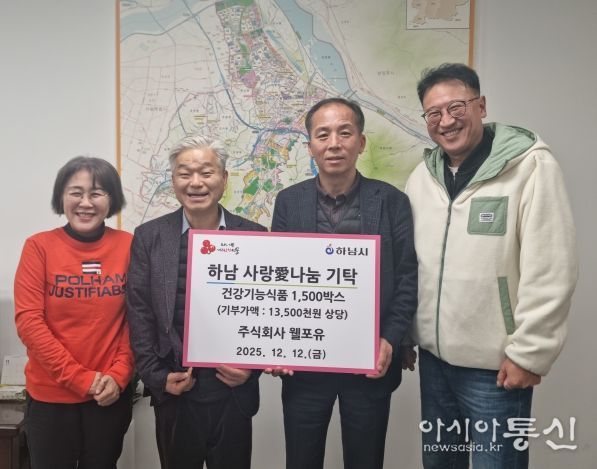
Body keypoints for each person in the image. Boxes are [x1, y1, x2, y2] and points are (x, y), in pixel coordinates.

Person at [405, 63, 578, 468]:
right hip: (434, 364)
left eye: (457, 107)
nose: (446, 121)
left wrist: (529, 354)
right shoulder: (422, 177)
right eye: (434, 113)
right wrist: (405, 335)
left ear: (481, 106)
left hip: (495, 369)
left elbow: (552, 267)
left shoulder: (530, 168)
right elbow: (412, 264)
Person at [270, 97, 418, 469]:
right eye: (323, 135)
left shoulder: (392, 201)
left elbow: (407, 278)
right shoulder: (289, 202)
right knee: (301, 461)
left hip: (369, 363)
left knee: (365, 461)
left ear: (361, 142)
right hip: (305, 367)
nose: (334, 144)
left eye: (345, 133)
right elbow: (280, 278)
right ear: (310, 146)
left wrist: (390, 339)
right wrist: (277, 344)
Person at [126, 135, 266, 469]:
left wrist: (252, 368)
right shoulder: (149, 237)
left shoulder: (255, 235)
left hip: (232, 389)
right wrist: (157, 377)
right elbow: (139, 313)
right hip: (176, 389)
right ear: (173, 180)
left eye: (206, 172)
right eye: (185, 173)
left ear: (224, 179)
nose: (196, 182)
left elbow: (266, 313)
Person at [14, 156, 134, 469]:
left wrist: (119, 375)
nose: (86, 203)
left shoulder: (129, 246)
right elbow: (29, 323)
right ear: (61, 197)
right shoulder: (38, 247)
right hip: (51, 398)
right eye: (76, 193)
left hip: (109, 395)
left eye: (97, 193)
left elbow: (136, 320)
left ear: (111, 199)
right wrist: (82, 379)